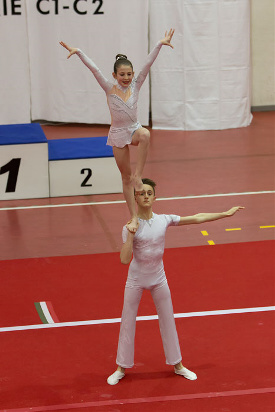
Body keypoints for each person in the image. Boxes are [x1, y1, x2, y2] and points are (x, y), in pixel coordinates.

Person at [107, 178, 244, 385]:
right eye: (141, 193)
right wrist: (132, 235)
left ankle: (177, 365)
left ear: (154, 197)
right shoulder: (129, 227)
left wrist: (225, 214)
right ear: (134, 197)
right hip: (135, 280)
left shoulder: (164, 219)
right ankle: (121, 367)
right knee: (128, 321)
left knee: (168, 320)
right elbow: (124, 259)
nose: (145, 196)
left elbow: (197, 218)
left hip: (159, 278)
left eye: (149, 193)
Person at [59, 29, 174, 233]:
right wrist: (78, 52)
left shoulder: (137, 85)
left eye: (129, 74)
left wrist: (159, 44)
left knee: (145, 134)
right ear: (114, 75)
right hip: (118, 133)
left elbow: (147, 64)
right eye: (122, 75)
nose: (127, 78)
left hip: (134, 129)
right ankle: (133, 216)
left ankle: (139, 175)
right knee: (125, 178)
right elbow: (94, 69)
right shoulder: (108, 87)